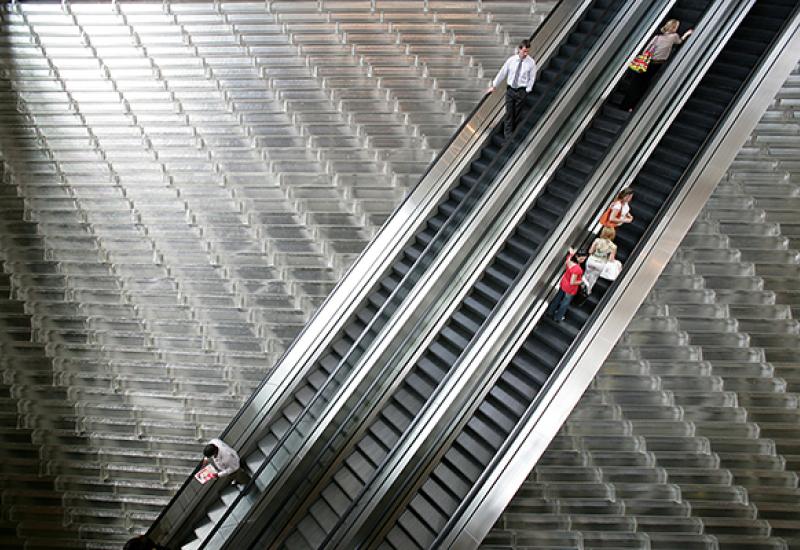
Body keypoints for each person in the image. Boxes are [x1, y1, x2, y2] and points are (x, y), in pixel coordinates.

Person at [621, 19, 693, 111]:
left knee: (635, 84)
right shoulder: (674, 36)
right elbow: (680, 41)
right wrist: (687, 34)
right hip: (655, 64)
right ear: (674, 27)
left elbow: (646, 50)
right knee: (643, 86)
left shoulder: (657, 37)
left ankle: (625, 105)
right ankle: (634, 106)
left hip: (646, 62)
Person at [488, 39, 537, 140]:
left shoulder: (531, 63)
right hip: (510, 90)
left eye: (527, 51)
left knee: (518, 114)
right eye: (524, 51)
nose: (526, 53)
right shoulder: (511, 60)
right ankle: (508, 137)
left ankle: (515, 134)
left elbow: (532, 77)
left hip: (521, 91)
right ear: (519, 49)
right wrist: (494, 85)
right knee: (509, 112)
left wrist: (528, 89)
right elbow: (502, 72)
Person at [546, 248, 588, 322]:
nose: (582, 261)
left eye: (584, 259)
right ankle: (558, 317)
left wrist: (571, 253)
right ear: (577, 257)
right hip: (570, 288)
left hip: (564, 282)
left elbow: (571, 252)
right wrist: (581, 282)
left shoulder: (569, 259)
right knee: (565, 303)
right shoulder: (578, 269)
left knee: (557, 298)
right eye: (581, 259)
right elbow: (572, 282)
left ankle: (550, 311)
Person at [583, 227, 622, 293]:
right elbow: (611, 259)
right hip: (600, 264)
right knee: (594, 278)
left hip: (591, 260)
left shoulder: (597, 240)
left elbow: (590, 251)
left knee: (586, 274)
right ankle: (588, 291)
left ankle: (579, 288)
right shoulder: (613, 246)